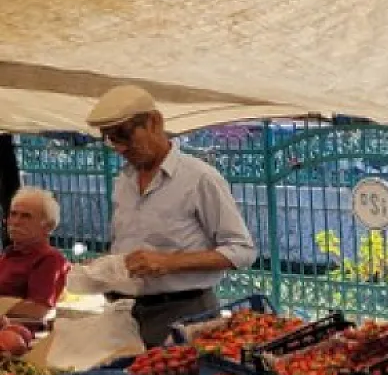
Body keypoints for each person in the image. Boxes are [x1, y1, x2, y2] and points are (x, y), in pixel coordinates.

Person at [85, 86, 257, 347]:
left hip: (186, 313)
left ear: (155, 122)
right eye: (109, 139)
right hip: (128, 314)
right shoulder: (124, 181)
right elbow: (128, 245)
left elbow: (242, 251)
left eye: (123, 134)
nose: (119, 147)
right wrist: (106, 268)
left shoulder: (199, 178)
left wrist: (169, 262)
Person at [0, 187, 70, 322]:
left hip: (18, 334)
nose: (15, 221)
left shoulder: (49, 259)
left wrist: (3, 305)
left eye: (26, 216)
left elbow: (39, 309)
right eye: (13, 214)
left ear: (48, 226)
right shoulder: (10, 254)